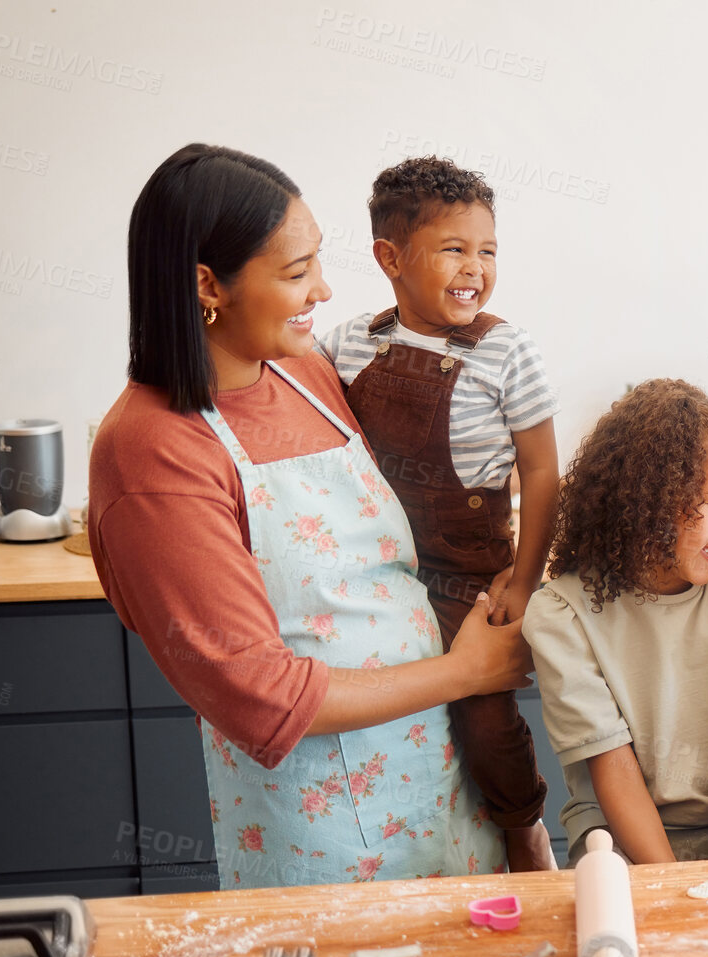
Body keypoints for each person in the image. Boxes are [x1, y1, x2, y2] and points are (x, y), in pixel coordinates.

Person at [89, 144, 531, 888]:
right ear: (208, 285)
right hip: (324, 830)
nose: (322, 289)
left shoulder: (304, 372)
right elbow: (260, 695)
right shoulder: (153, 450)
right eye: (296, 273)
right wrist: (461, 672)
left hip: (439, 776)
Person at [319, 156, 559, 873]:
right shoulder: (346, 343)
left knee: (485, 720)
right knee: (378, 719)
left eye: (487, 251)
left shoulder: (506, 351)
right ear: (389, 258)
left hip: (469, 576)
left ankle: (524, 829)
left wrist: (523, 576)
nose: (474, 268)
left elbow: (543, 470)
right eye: (454, 248)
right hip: (375, 569)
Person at [522, 380, 708, 865]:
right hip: (619, 840)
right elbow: (612, 765)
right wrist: (674, 887)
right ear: (646, 498)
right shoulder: (562, 614)